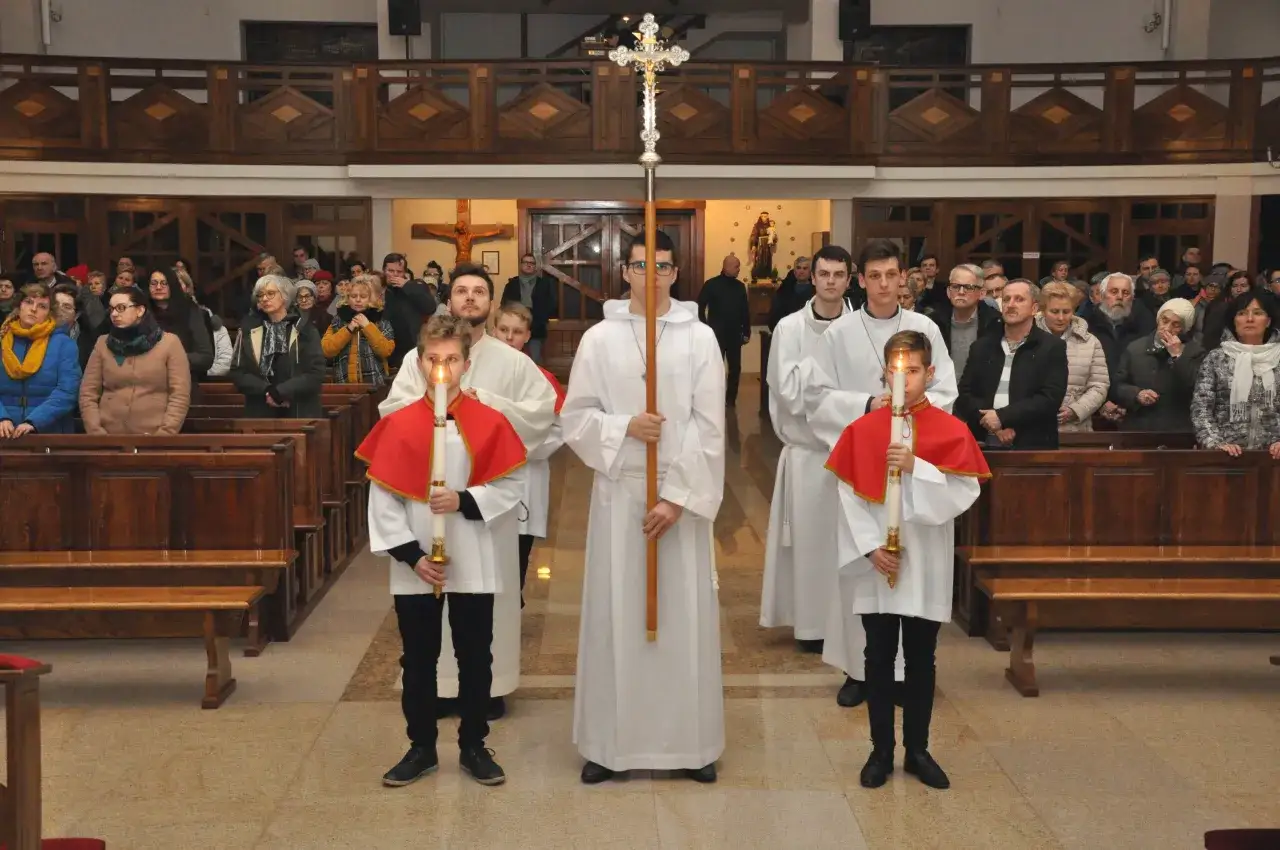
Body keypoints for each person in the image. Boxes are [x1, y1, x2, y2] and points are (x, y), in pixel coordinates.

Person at [563, 230, 725, 784]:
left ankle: (690, 744)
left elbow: (711, 426)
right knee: (618, 615)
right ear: (624, 272)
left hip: (678, 498)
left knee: (681, 620)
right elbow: (576, 417)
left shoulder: (699, 337)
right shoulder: (600, 339)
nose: (651, 275)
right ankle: (611, 745)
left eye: (661, 265)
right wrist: (624, 426)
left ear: (675, 272)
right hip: (620, 492)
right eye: (639, 266)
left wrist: (678, 498)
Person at [379, 263, 556, 719]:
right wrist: (439, 411)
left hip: (482, 508)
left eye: (480, 291)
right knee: (427, 598)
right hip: (427, 496)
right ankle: (433, 690)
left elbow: (541, 417)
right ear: (449, 299)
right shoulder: (418, 359)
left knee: (484, 600)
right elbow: (392, 411)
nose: (470, 298)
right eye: (462, 291)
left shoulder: (514, 362)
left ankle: (488, 688)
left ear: (491, 303)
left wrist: (484, 408)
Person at [363, 314, 526, 789]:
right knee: (418, 659)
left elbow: (511, 482)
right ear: (419, 362)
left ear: (466, 363)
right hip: (417, 566)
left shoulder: (488, 422)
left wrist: (465, 500)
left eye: (451, 359)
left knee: (476, 656)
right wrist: (412, 556)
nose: (443, 368)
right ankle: (421, 747)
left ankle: (474, 744)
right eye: (433, 359)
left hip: (472, 554)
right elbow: (383, 498)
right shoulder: (398, 424)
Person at [826, 330, 989, 790]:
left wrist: (919, 465)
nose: (906, 379)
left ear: (930, 373)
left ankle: (918, 749)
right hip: (878, 561)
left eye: (914, 371)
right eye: (898, 371)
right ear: (884, 372)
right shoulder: (862, 430)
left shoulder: (950, 428)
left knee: (921, 658)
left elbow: (966, 490)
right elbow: (846, 493)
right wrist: (869, 547)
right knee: (876, 657)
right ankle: (880, 751)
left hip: (925, 559)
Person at [801, 239, 957, 709]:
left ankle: (910, 672)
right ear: (859, 279)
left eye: (893, 275)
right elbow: (817, 398)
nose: (885, 284)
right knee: (861, 566)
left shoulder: (924, 326)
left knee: (909, 565)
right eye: (874, 276)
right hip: (862, 464)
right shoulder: (839, 334)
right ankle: (859, 669)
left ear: (903, 277)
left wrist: (910, 415)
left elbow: (946, 387)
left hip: (913, 463)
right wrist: (869, 406)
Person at [761, 244, 854, 654]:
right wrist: (832, 393)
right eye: (824, 274)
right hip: (807, 455)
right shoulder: (788, 329)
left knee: (848, 543)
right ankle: (812, 626)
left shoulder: (861, 328)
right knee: (809, 545)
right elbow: (787, 394)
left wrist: (822, 389)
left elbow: (867, 391)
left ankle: (849, 623)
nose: (831, 281)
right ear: (811, 278)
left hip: (852, 456)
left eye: (839, 274)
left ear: (850, 280)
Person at [491, 302, 566, 601]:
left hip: (526, 471)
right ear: (492, 330)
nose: (509, 338)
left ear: (527, 336)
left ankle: (513, 598)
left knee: (519, 544)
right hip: (485, 474)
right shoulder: (471, 369)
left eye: (517, 332)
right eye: (503, 330)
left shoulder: (542, 377)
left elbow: (559, 428)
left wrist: (524, 448)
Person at [956, 279, 1068, 450]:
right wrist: (993, 424)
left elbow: (1049, 398)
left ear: (1034, 308)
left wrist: (1003, 417)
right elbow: (965, 394)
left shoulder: (1051, 347)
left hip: (1033, 444)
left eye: (1019, 299)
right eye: (1006, 299)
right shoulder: (982, 346)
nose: (1010, 305)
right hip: (982, 443)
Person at [79, 285, 191, 435]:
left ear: (140, 310)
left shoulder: (169, 343)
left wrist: (165, 434)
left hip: (154, 437)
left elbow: (179, 395)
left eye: (121, 308)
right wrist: (96, 431)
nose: (114, 314)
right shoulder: (102, 343)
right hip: (109, 436)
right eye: (111, 309)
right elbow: (88, 393)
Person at [1191, 290, 1280, 455]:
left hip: (1273, 457)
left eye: (1258, 313)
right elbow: (1201, 409)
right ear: (1234, 321)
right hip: (1228, 457)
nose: (1250, 319)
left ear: (1268, 321)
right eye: (1242, 313)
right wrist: (1215, 444)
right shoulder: (1216, 358)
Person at [229, 274, 327, 419]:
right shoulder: (248, 330)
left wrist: (282, 391)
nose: (264, 298)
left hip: (300, 410)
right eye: (260, 295)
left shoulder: (304, 329)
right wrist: (267, 390)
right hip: (260, 410)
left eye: (270, 293)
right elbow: (237, 372)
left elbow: (316, 372)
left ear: (285, 296)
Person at [0, 282, 81, 437]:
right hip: (4, 432)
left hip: (49, 431)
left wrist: (33, 422)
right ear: (19, 306)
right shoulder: (2, 339)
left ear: (50, 313)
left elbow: (68, 391)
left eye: (42, 306)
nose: (34, 309)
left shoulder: (64, 344)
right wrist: (2, 417)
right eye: (29, 302)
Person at [1113, 298, 1205, 433]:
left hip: (1178, 430)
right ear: (1158, 319)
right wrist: (1136, 394)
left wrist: (1178, 356)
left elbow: (1200, 388)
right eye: (1165, 320)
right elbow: (1118, 386)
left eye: (1176, 324)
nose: (1167, 328)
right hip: (1139, 429)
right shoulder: (1135, 348)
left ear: (1184, 329)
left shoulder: (1195, 352)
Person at [1036, 282, 1108, 432]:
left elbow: (1099, 385)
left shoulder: (1090, 342)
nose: (1061, 317)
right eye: (1054, 311)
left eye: (1066, 311)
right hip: (1034, 428)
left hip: (1076, 429)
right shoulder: (1027, 339)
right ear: (1042, 310)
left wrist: (1076, 410)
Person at [925, 264, 1001, 380]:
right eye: (955, 287)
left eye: (968, 287)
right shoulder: (934, 321)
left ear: (982, 293)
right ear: (948, 292)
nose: (961, 292)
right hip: (941, 391)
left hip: (979, 393)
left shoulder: (995, 322)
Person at [697, 255, 752, 407]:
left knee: (735, 368)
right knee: (716, 368)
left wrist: (746, 331)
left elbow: (745, 311)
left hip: (735, 334)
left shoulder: (740, 286)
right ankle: (715, 397)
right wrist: (704, 327)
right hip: (716, 335)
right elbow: (700, 307)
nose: (739, 269)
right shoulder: (711, 285)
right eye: (736, 266)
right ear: (726, 266)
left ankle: (731, 400)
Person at [322, 274, 396, 386]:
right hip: (343, 385)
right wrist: (348, 329)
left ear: (371, 298)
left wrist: (367, 327)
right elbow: (326, 349)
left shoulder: (381, 321)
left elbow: (386, 350)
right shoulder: (339, 320)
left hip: (375, 384)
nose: (357, 300)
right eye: (353, 296)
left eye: (363, 296)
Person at [147, 268, 214, 382]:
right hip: (147, 383)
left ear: (173, 285)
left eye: (164, 283)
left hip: (183, 380)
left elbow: (205, 357)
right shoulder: (141, 312)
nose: (158, 287)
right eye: (154, 283)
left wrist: (170, 358)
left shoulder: (190, 310)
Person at [381, 253, 438, 369]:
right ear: (384, 271)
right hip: (385, 350)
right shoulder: (379, 290)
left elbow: (430, 307)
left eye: (399, 272)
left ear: (405, 273)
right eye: (391, 271)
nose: (395, 275)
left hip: (411, 351)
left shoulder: (415, 287)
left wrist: (407, 286)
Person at [501, 254, 557, 365]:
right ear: (521, 265)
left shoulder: (544, 284)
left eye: (531, 263)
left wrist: (541, 319)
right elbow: (504, 305)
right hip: (514, 327)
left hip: (536, 329)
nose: (528, 265)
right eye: (526, 262)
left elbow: (552, 304)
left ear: (535, 266)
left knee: (534, 361)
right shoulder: (512, 284)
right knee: (513, 360)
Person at [767, 256, 813, 330]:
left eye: (805, 268)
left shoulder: (817, 293)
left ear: (810, 272)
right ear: (794, 271)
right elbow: (774, 317)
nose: (801, 271)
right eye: (798, 268)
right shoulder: (783, 291)